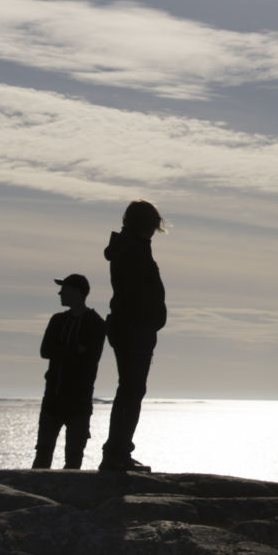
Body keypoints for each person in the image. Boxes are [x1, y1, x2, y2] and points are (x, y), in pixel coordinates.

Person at [100, 200, 166, 474]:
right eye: (151, 227)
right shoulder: (131, 249)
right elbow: (135, 293)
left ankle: (118, 451)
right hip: (133, 329)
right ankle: (116, 453)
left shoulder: (134, 247)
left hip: (134, 328)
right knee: (131, 390)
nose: (153, 232)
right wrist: (146, 321)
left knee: (131, 389)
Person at [34, 273, 107, 470]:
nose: (60, 293)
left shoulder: (95, 323)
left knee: (73, 458)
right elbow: (45, 351)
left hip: (78, 401)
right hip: (53, 397)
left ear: (77, 292)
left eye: (64, 290)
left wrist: (63, 351)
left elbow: (90, 358)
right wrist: (75, 349)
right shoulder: (58, 320)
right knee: (43, 453)